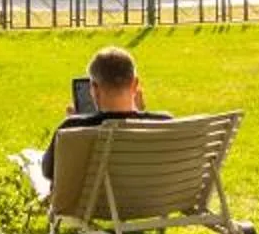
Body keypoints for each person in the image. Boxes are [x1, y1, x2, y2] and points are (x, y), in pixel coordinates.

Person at [42, 44, 168, 177]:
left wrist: (76, 122)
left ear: (94, 89)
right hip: (146, 197)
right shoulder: (164, 125)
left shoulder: (71, 128)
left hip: (94, 197)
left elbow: (48, 172)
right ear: (135, 85)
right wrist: (139, 114)